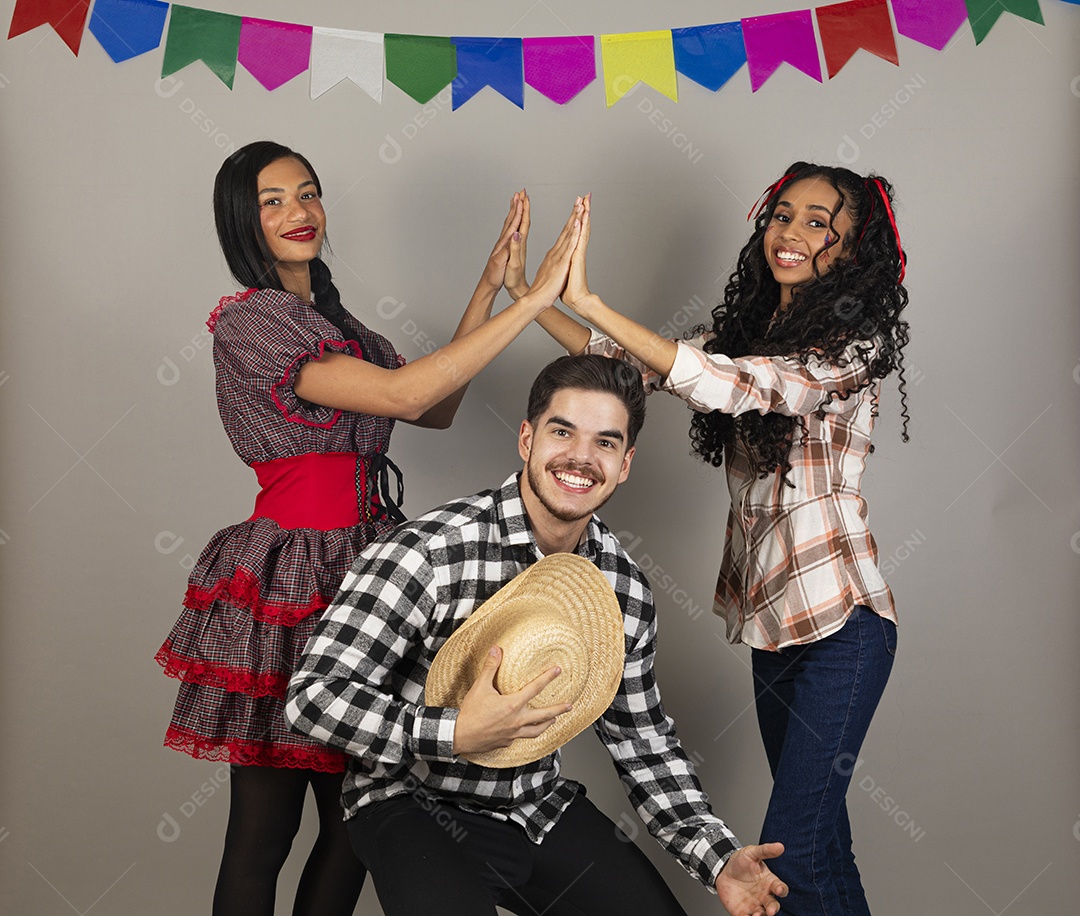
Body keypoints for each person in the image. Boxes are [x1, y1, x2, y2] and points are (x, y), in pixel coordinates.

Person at [154, 140, 582, 916]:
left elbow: (434, 404)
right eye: (273, 199)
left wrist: (490, 289)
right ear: (241, 221)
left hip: (373, 573)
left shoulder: (338, 324)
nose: (298, 211)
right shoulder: (250, 324)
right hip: (289, 576)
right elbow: (406, 394)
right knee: (265, 830)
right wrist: (530, 302)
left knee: (361, 824)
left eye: (308, 192)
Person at [511, 164, 910, 914]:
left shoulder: (852, 349)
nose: (790, 233)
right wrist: (531, 301)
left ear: (852, 251)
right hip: (774, 631)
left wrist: (590, 295)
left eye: (818, 223)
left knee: (788, 858)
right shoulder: (744, 338)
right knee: (823, 848)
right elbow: (627, 368)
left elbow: (738, 387)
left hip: (843, 628)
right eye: (782, 215)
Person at [286, 354, 788, 916]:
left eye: (605, 442)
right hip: (412, 802)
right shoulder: (427, 552)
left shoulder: (622, 590)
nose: (581, 456)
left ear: (625, 464)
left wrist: (717, 857)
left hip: (534, 805)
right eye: (562, 431)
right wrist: (452, 732)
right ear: (526, 439)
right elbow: (315, 696)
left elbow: (641, 741)